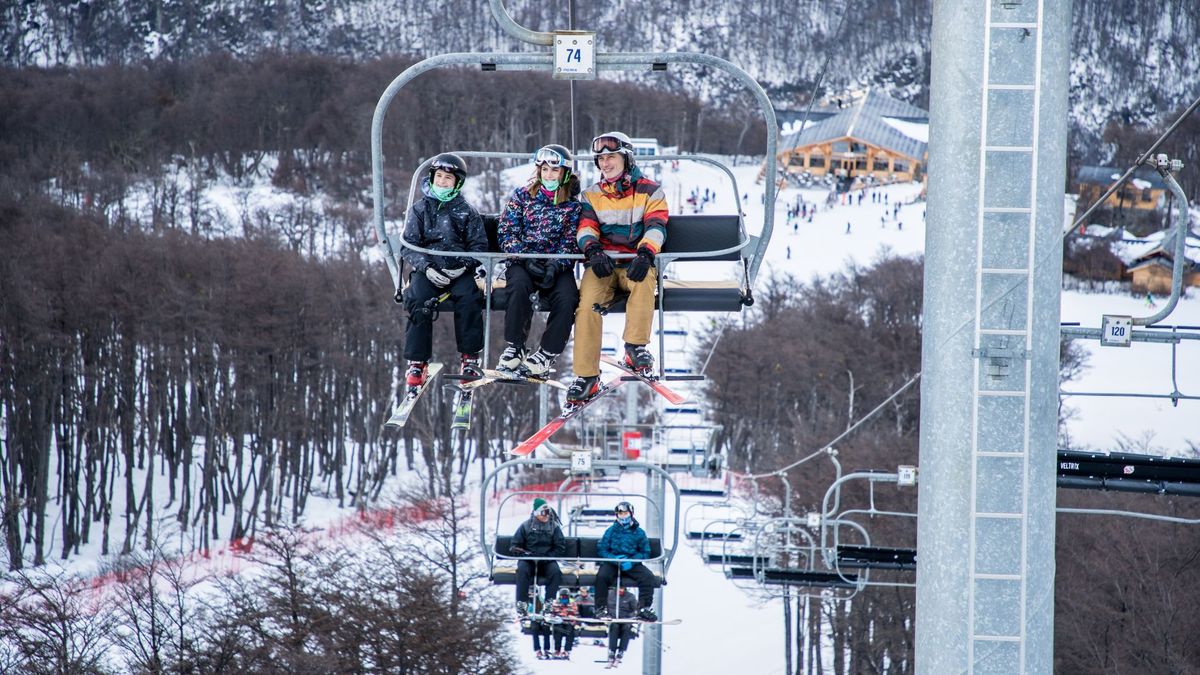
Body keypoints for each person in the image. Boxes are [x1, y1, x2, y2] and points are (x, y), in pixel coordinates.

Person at [567, 131, 669, 403]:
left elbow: (657, 225)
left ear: (626, 158)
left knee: (644, 282)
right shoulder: (592, 194)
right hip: (604, 265)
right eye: (600, 159)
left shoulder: (650, 190)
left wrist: (646, 254)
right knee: (587, 304)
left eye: (611, 157)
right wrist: (592, 249)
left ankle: (635, 347)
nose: (605, 164)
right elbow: (586, 226)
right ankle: (586, 375)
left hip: (635, 263)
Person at [399, 153, 488, 388]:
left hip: (458, 269)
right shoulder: (419, 210)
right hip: (429, 269)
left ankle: (469, 357)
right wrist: (426, 267)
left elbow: (479, 246)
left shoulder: (466, 211)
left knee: (469, 298)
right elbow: (408, 244)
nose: (441, 182)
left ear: (457, 182)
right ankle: (417, 361)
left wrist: (464, 266)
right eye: (438, 176)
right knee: (418, 298)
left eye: (447, 178)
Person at [496, 144, 582, 377]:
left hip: (556, 265)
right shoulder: (522, 196)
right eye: (544, 170)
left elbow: (571, 240)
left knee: (568, 297)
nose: (549, 175)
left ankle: (547, 352)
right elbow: (506, 232)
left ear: (564, 174)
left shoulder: (573, 205)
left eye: (554, 171)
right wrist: (524, 258)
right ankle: (516, 346)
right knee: (518, 286)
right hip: (523, 260)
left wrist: (556, 264)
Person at [593, 501, 658, 622]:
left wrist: (632, 561)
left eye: (625, 513)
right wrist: (613, 558)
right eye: (620, 514)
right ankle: (601, 608)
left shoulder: (639, 533)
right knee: (602, 576)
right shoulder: (611, 531)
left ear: (631, 514)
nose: (623, 516)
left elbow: (645, 552)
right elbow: (602, 549)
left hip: (631, 562)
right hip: (613, 563)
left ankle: (644, 608)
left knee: (647, 576)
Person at [510, 498, 567, 617]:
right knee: (522, 570)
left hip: (546, 560)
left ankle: (549, 603)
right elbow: (515, 545)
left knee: (555, 572)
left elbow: (560, 546)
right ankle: (522, 602)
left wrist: (548, 556)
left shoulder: (554, 527)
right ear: (536, 513)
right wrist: (524, 554)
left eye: (548, 512)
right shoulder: (526, 526)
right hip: (529, 559)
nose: (546, 516)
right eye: (543, 513)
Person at [605, 587, 639, 667]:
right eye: (618, 588)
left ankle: (621, 651)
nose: (620, 590)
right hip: (614, 619)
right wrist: (607, 615)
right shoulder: (610, 594)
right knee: (614, 627)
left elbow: (635, 610)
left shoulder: (630, 596)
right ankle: (612, 651)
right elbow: (604, 606)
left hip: (625, 620)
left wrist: (630, 617)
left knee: (626, 628)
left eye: (622, 589)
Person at [548, 588, 579, 660]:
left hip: (569, 622)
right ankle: (557, 650)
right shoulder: (556, 602)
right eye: (562, 596)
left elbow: (575, 613)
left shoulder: (572, 603)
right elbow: (553, 612)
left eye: (566, 596)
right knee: (558, 631)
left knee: (570, 631)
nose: (564, 598)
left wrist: (569, 616)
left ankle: (567, 650)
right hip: (559, 622)